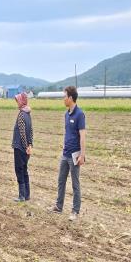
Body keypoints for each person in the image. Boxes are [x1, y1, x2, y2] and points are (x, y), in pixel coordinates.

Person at [48, 86, 86, 221]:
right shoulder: (66, 114)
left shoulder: (80, 114)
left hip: (75, 154)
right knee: (61, 181)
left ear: (70, 98)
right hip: (65, 153)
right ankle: (58, 206)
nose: (63, 99)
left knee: (75, 184)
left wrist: (82, 154)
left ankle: (75, 211)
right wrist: (64, 144)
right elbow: (68, 133)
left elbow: (82, 136)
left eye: (64, 96)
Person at [11, 92, 33, 202]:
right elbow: (31, 131)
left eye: (18, 100)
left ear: (21, 101)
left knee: (19, 170)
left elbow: (22, 132)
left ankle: (21, 196)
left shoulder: (21, 115)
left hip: (20, 147)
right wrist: (30, 145)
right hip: (26, 148)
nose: (17, 102)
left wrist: (25, 146)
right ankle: (27, 194)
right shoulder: (28, 113)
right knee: (24, 170)